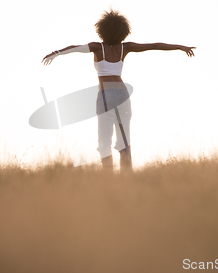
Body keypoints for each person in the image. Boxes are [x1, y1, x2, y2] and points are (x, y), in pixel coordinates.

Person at [42, 9, 195, 172]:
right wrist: (180, 47)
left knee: (104, 141)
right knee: (124, 140)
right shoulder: (125, 47)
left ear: (102, 30)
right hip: (123, 95)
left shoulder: (97, 47)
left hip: (106, 95)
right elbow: (154, 45)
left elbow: (75, 48)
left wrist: (56, 53)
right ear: (123, 31)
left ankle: (108, 177)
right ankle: (127, 176)